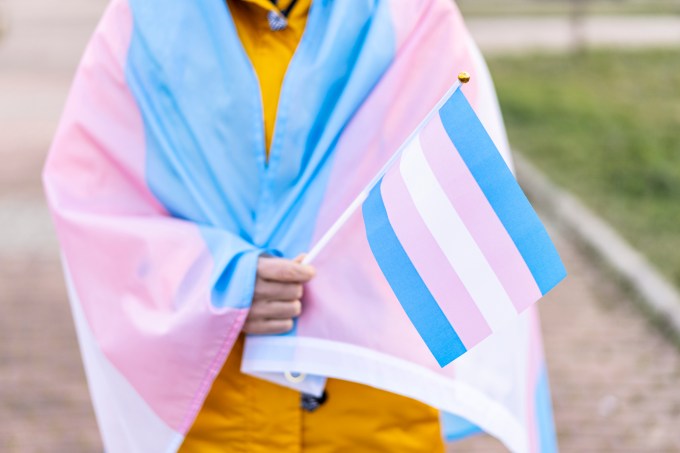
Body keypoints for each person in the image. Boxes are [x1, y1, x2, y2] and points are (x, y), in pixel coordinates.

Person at [44, 0, 558, 451]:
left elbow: (458, 188)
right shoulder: (141, 23)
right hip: (220, 423)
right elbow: (94, 205)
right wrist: (219, 280)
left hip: (372, 417)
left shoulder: (413, 17)